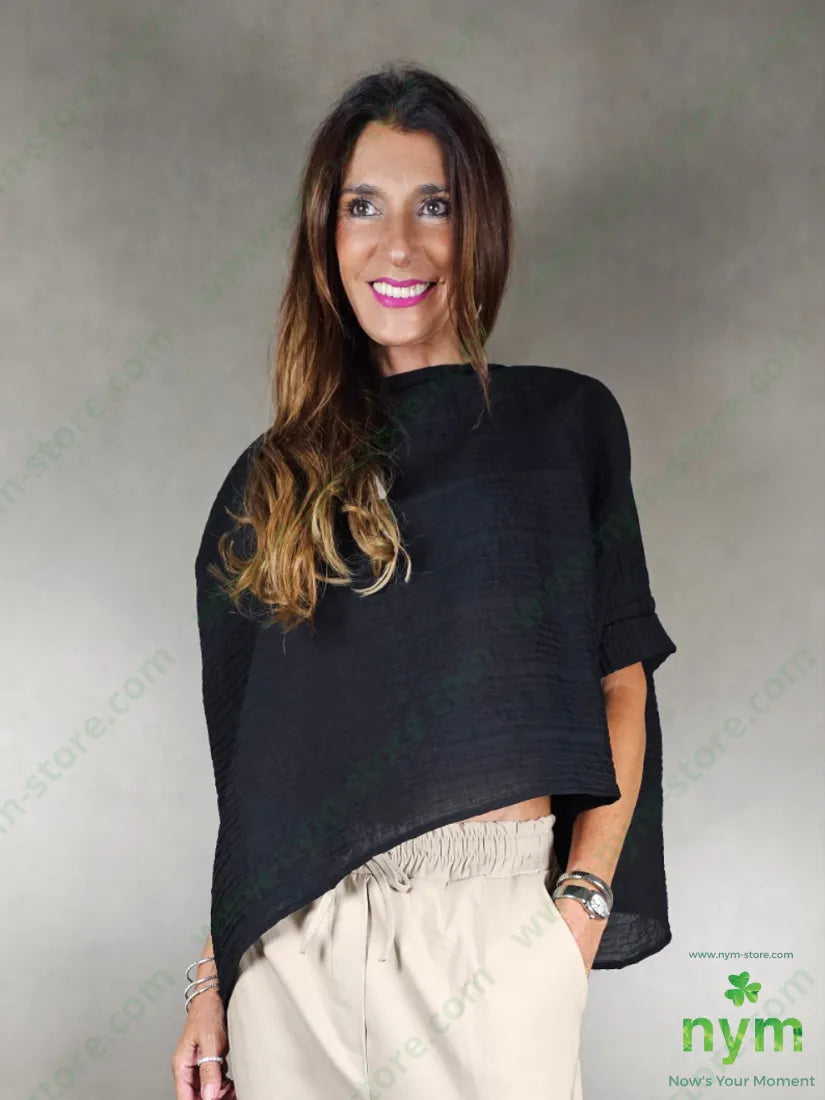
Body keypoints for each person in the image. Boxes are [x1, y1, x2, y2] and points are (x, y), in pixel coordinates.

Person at [171, 62, 676, 1100]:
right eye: (363, 206)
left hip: (485, 943)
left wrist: (577, 910)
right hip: (290, 955)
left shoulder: (561, 428)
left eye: (433, 205)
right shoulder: (269, 483)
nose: (396, 243)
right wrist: (214, 978)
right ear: (326, 236)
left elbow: (621, 684)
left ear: (476, 228)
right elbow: (262, 776)